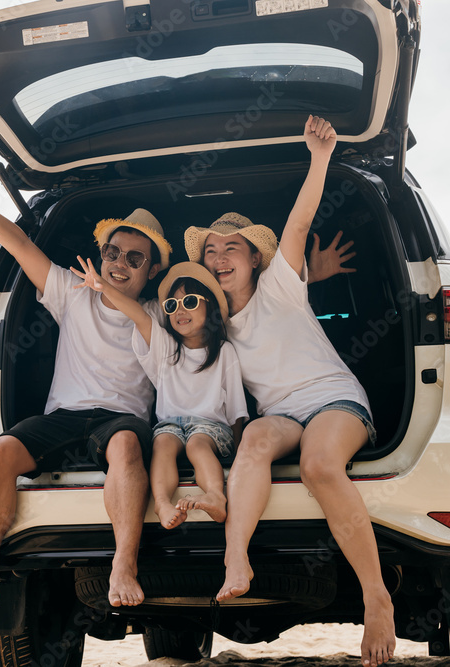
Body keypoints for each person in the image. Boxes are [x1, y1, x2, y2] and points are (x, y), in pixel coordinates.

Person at [184, 116, 395, 667]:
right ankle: (237, 561)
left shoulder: (280, 283)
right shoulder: (209, 322)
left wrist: (320, 157)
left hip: (333, 402)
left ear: (255, 258)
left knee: (320, 467)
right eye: (211, 250)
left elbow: (298, 224)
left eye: (233, 247)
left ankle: (377, 596)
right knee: (254, 438)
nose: (221, 255)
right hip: (283, 416)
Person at [0, 139, 171, 633]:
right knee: (1, 450)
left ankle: (122, 564)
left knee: (128, 445)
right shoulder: (70, 291)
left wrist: (105, 288)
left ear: (152, 271)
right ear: (101, 252)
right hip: (63, 416)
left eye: (135, 258)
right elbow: (17, 243)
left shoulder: (154, 314)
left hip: (119, 422)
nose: (119, 263)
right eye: (113, 252)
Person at [71, 259, 247, 529]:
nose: (179, 310)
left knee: (197, 444)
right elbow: (139, 315)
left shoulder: (224, 352)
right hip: (169, 426)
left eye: (189, 302)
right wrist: (103, 287)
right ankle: (162, 502)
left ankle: (216, 496)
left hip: (211, 428)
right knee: (162, 445)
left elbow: (236, 409)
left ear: (209, 306)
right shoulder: (165, 348)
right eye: (171, 305)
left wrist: (237, 455)